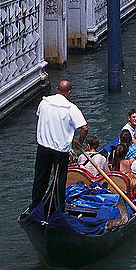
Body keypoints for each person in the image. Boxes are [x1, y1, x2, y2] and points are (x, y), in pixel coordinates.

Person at [31, 79, 87, 212]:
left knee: (40, 177)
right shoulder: (71, 108)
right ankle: (58, 208)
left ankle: (35, 205)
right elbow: (84, 128)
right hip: (60, 151)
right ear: (68, 92)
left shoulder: (44, 103)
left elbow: (42, 118)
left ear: (57, 89)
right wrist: (80, 141)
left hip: (43, 148)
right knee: (59, 180)